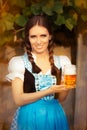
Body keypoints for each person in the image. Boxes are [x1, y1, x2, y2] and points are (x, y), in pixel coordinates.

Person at [6, 15, 72, 130]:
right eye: (33, 36)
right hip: (29, 118)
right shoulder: (19, 63)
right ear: (28, 38)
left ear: (50, 36)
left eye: (43, 36)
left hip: (55, 116)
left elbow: (61, 99)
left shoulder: (62, 62)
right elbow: (18, 99)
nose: (38, 41)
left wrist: (67, 87)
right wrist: (49, 90)